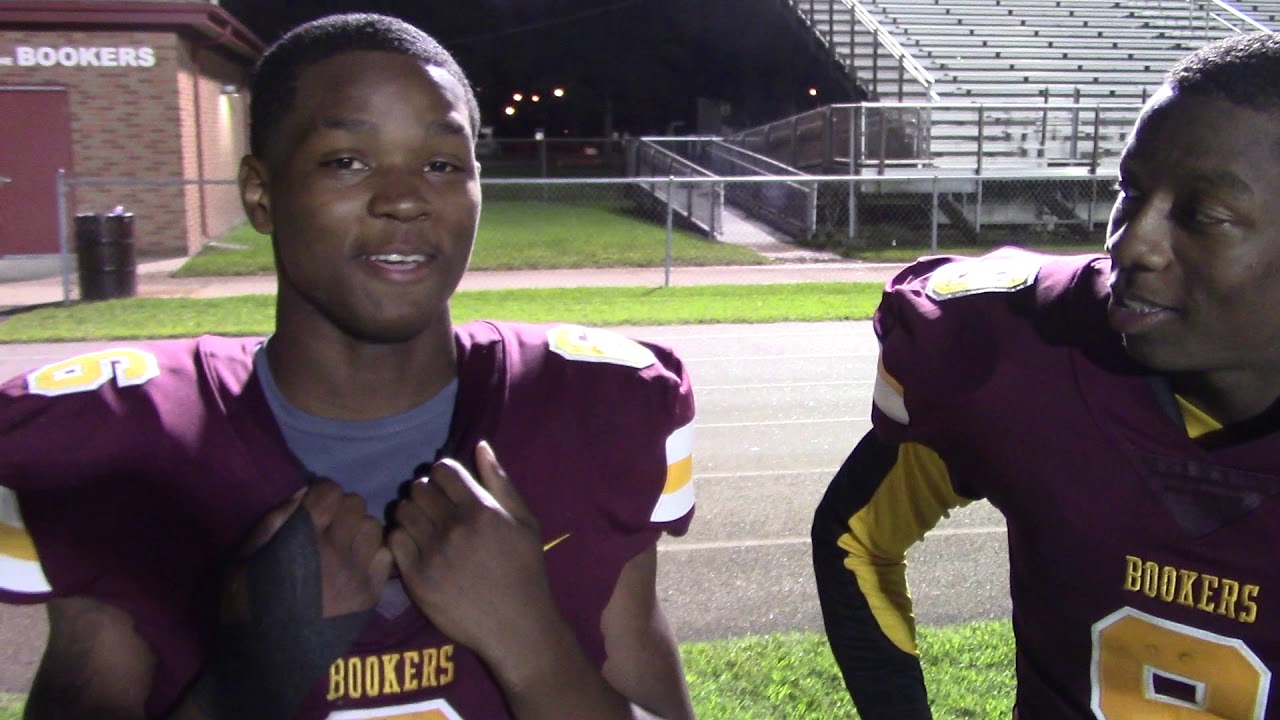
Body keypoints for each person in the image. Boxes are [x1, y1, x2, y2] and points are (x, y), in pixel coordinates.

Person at [0, 13, 697, 720]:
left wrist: (532, 642)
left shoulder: (606, 400)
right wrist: (255, 669)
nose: (403, 199)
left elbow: (646, 680)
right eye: (347, 161)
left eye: (442, 164)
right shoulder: (116, 437)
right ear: (260, 195)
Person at [812, 30, 1280, 720]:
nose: (1131, 243)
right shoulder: (1019, 349)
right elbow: (856, 537)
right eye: (1131, 191)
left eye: (1202, 216)